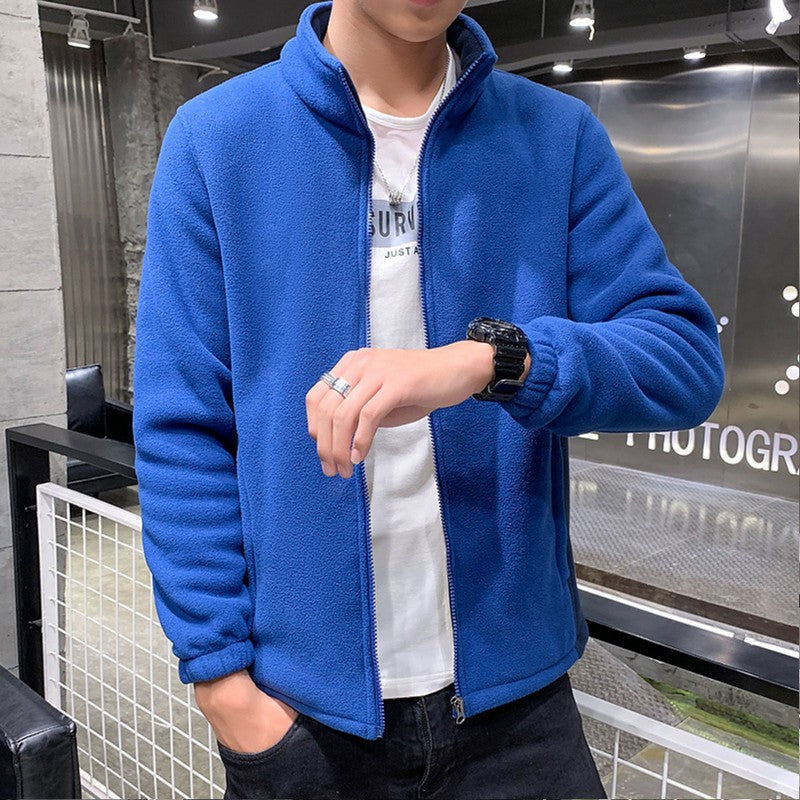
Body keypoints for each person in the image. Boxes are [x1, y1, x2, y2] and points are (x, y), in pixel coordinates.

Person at [132, 0, 725, 798]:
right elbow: (182, 427)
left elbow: (683, 359)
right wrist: (222, 680)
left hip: (519, 715)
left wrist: (493, 361)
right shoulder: (220, 138)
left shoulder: (556, 137)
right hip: (304, 720)